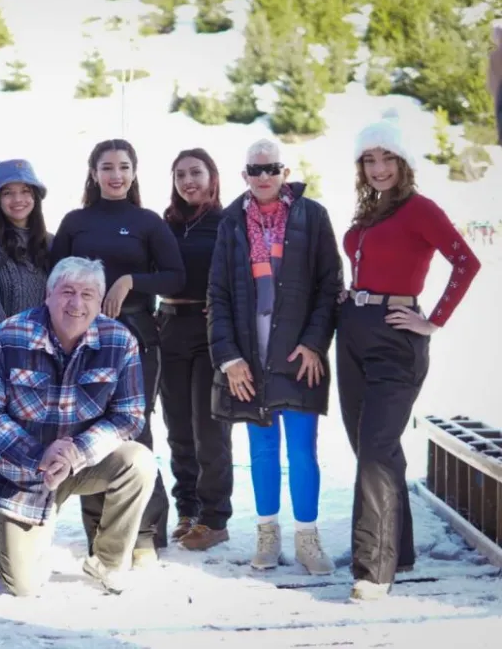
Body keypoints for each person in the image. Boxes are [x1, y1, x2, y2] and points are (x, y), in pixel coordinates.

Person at [339, 112, 481, 601]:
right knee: (370, 447)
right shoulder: (369, 211)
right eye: (369, 160)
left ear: (404, 162)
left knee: (378, 448)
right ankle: (397, 550)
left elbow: (466, 261)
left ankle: (372, 571)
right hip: (353, 330)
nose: (379, 168)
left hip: (396, 339)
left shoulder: (420, 208)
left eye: (387, 158)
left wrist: (433, 320)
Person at [0, 256, 157, 596]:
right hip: (23, 472)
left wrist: (75, 453)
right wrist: (39, 453)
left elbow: (129, 415)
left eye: (88, 294)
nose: (76, 303)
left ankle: (108, 559)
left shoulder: (119, 340)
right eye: (67, 291)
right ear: (48, 294)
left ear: (100, 302)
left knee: (139, 462)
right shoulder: (9, 335)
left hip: (83, 463)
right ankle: (34, 535)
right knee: (24, 587)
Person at [207, 138, 342, 576]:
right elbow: (219, 294)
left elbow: (329, 284)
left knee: (302, 450)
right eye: (255, 169)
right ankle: (267, 533)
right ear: (244, 174)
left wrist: (314, 342)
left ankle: (307, 536)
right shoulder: (230, 222)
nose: (264, 176)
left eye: (272, 168)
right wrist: (229, 358)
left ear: (285, 172)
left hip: (299, 352)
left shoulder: (312, 215)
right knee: (262, 450)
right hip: (250, 354)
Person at [50, 138, 185, 565]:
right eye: (107, 167)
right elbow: (52, 279)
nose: (116, 175)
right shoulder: (75, 221)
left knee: (135, 431)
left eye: (124, 167)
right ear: (93, 173)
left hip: (138, 336)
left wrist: (130, 281)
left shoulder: (146, 222)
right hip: (82, 343)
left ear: (134, 171)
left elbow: (175, 276)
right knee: (89, 430)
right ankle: (101, 535)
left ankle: (144, 535)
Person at [0, 159, 51, 574]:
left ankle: (27, 534)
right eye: (8, 192)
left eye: (25, 191)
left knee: (34, 450)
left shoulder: (48, 244)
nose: (18, 200)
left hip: (43, 363)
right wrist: (11, 360)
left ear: (36, 197)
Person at [158, 149, 233, 551]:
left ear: (212, 176)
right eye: (180, 174)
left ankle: (215, 517)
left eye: (196, 173)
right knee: (178, 427)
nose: (189, 181)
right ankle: (187, 509)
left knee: (210, 429)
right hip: (169, 326)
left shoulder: (227, 222)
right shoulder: (164, 224)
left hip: (210, 331)